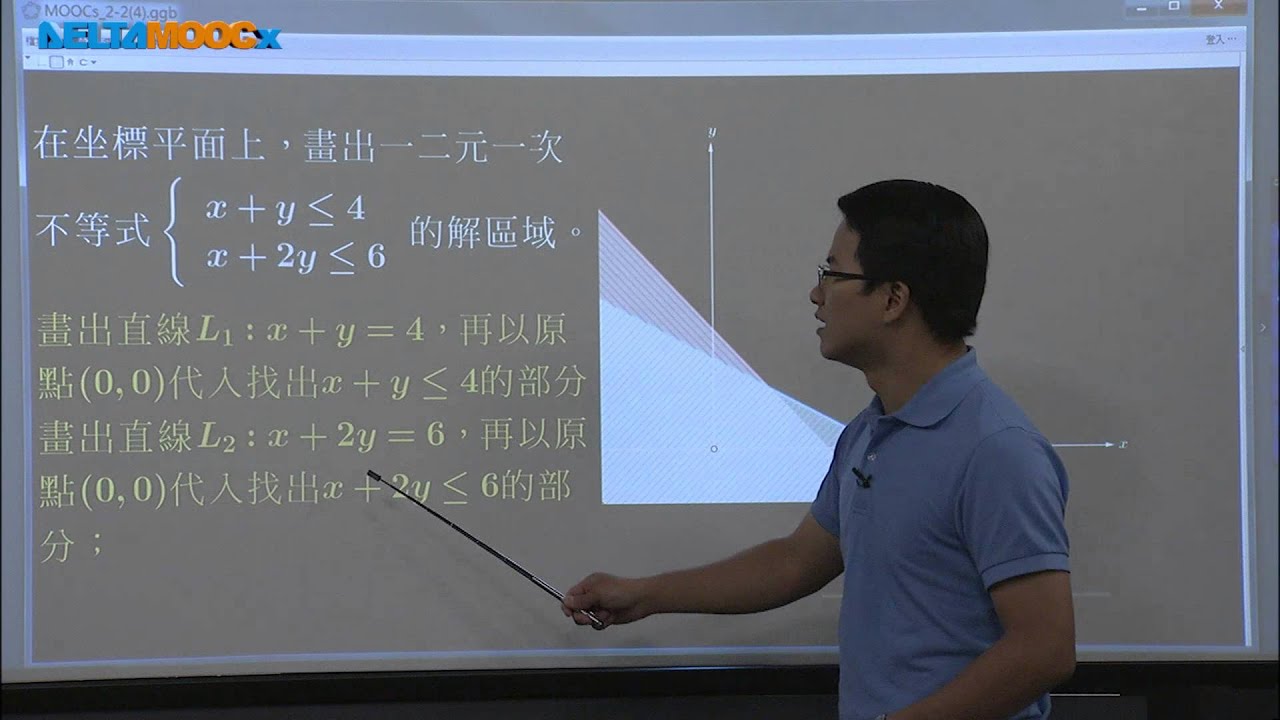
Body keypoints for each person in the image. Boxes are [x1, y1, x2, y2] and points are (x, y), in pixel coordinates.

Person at [562, 179, 1076, 720]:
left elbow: (1043, 650)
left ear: (893, 299)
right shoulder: (870, 431)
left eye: (832, 273)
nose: (816, 294)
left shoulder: (996, 450)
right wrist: (645, 595)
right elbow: (796, 561)